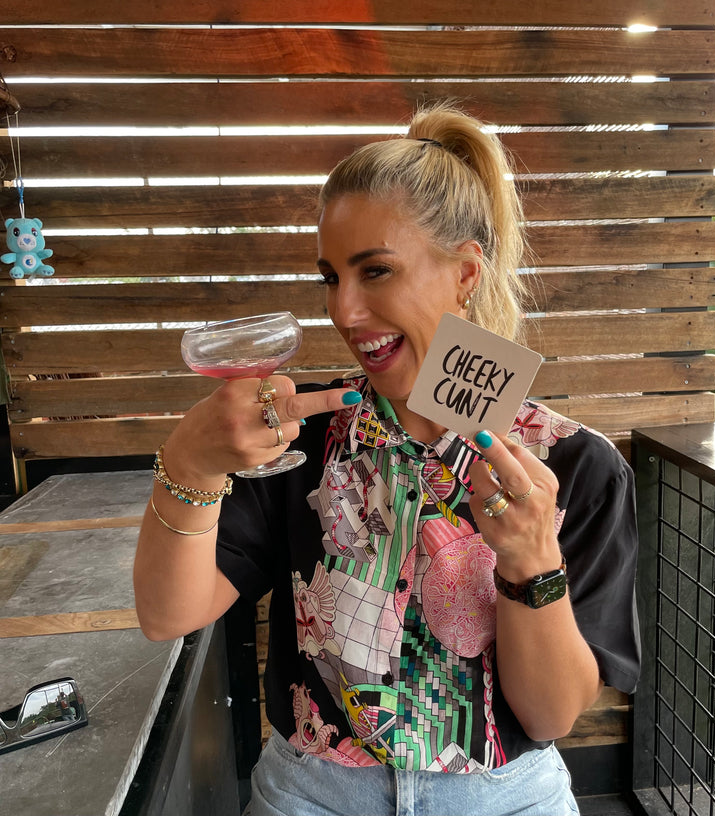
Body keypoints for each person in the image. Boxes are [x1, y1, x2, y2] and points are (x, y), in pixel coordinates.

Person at [134, 102, 640, 816]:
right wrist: (190, 464)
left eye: (374, 271)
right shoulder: (299, 443)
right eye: (330, 276)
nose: (342, 310)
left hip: (506, 799)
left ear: (465, 272)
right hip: (313, 793)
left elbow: (552, 718)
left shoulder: (572, 467)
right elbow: (166, 615)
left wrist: (531, 562)